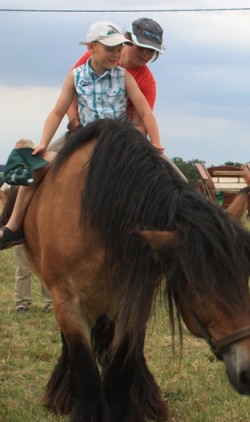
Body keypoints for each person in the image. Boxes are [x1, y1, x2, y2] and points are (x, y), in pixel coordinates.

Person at [0, 21, 163, 250]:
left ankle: (165, 239)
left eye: (152, 51)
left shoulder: (130, 78)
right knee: (36, 162)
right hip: (82, 133)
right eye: (141, 47)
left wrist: (155, 145)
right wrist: (46, 141)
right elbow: (59, 110)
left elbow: (144, 116)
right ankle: (12, 225)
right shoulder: (79, 73)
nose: (146, 54)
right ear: (92, 48)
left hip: (121, 139)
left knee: (166, 177)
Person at [1, 140, 53, 313]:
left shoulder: (41, 174)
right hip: (21, 229)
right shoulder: (16, 176)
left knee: (46, 267)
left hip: (38, 229)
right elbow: (4, 190)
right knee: (23, 268)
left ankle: (50, 303)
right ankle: (22, 302)